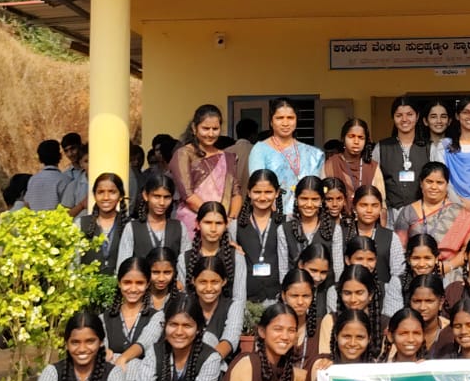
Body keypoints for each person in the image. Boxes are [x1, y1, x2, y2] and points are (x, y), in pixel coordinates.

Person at [171, 104, 248, 234]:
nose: (211, 134)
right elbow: (188, 195)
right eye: (205, 128)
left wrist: (230, 219)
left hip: (223, 224)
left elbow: (236, 193)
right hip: (193, 222)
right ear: (194, 128)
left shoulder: (227, 157)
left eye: (215, 129)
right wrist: (212, 217)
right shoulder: (184, 154)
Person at [392, 162, 470, 274]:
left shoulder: (460, 213)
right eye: (429, 181)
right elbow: (399, 249)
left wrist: (449, 266)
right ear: (421, 183)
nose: (434, 187)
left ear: (447, 185)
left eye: (439, 183)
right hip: (415, 271)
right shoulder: (408, 212)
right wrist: (418, 266)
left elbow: (469, 249)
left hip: (450, 272)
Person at [187, 204, 247, 364]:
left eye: (219, 223)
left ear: (226, 225)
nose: (213, 229)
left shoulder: (236, 257)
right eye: (208, 222)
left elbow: (239, 299)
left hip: (225, 323)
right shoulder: (185, 258)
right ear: (197, 224)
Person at [247, 99, 326, 215]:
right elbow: (258, 187)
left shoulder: (312, 154)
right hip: (272, 216)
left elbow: (320, 189)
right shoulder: (260, 150)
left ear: (296, 120)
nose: (285, 123)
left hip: (307, 215)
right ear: (271, 121)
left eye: (290, 118)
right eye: (279, 118)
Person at [234, 169, 286, 304]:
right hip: (245, 298)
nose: (262, 198)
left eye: (268, 192)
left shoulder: (286, 224)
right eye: (257, 192)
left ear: (277, 193)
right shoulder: (236, 226)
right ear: (249, 192)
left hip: (278, 298)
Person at [103, 257, 162, 375]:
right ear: (119, 283)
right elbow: (103, 351)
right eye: (127, 282)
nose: (133, 289)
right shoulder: (105, 318)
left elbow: (144, 343)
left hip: (143, 380)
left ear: (147, 284)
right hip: (111, 380)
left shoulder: (157, 317)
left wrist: (122, 358)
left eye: (139, 283)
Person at [316, 264, 387, 360]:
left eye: (359, 293)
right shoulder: (330, 321)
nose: (353, 299)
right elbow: (324, 359)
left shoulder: (385, 324)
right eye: (347, 293)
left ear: (370, 294)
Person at [375, 97, 432, 216]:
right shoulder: (381, 147)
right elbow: (374, 182)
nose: (404, 119)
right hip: (390, 213)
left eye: (409, 114)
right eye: (399, 115)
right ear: (393, 118)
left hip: (423, 213)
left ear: (417, 116)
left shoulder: (430, 147)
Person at [122, 170, 190, 268]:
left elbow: (185, 265)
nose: (162, 202)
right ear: (146, 195)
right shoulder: (132, 228)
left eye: (166, 197)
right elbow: (124, 267)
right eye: (156, 196)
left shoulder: (179, 227)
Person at [75, 172, 129, 275]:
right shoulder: (81, 223)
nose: (106, 197)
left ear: (121, 195)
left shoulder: (129, 225)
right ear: (94, 195)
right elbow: (74, 262)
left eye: (112, 192)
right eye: (100, 192)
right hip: (87, 283)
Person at [325, 118, 378, 200]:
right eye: (351, 136)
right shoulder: (331, 164)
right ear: (343, 138)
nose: (356, 141)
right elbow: (324, 197)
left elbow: (381, 202)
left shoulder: (373, 167)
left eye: (361, 137)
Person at [23, 139, 66, 212]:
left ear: (40, 159)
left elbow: (27, 204)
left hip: (35, 218)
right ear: (60, 156)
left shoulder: (32, 180)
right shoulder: (65, 180)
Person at [59, 132, 90, 216]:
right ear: (81, 163)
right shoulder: (69, 179)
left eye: (73, 149)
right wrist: (81, 205)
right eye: (66, 151)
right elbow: (65, 213)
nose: (70, 154)